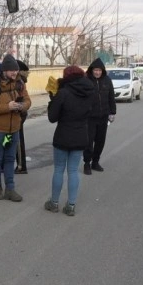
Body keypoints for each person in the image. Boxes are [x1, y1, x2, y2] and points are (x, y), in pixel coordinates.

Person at [45, 65, 95, 216]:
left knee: (59, 169)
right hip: (80, 136)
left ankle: (54, 203)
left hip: (63, 136)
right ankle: (71, 205)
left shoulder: (63, 93)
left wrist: (52, 99)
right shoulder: (89, 92)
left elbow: (52, 118)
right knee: (73, 171)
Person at [0, 54, 31, 202]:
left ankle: (10, 189)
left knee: (9, 159)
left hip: (12, 130)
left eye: (15, 70)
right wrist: (7, 107)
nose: (15, 73)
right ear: (4, 71)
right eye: (11, 71)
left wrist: (22, 106)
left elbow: (28, 100)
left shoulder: (19, 83)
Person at [83, 58, 116, 175]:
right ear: (92, 70)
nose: (97, 72)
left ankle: (95, 162)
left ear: (103, 71)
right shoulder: (86, 80)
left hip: (103, 117)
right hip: (90, 117)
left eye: (99, 70)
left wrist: (113, 112)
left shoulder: (107, 80)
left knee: (100, 141)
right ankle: (87, 163)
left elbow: (111, 97)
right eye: (95, 70)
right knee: (88, 142)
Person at [15, 60, 30, 174]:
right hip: (17, 113)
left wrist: (19, 106)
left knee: (18, 141)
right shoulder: (19, 80)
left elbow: (25, 100)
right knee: (9, 139)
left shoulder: (19, 82)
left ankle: (21, 166)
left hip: (19, 114)